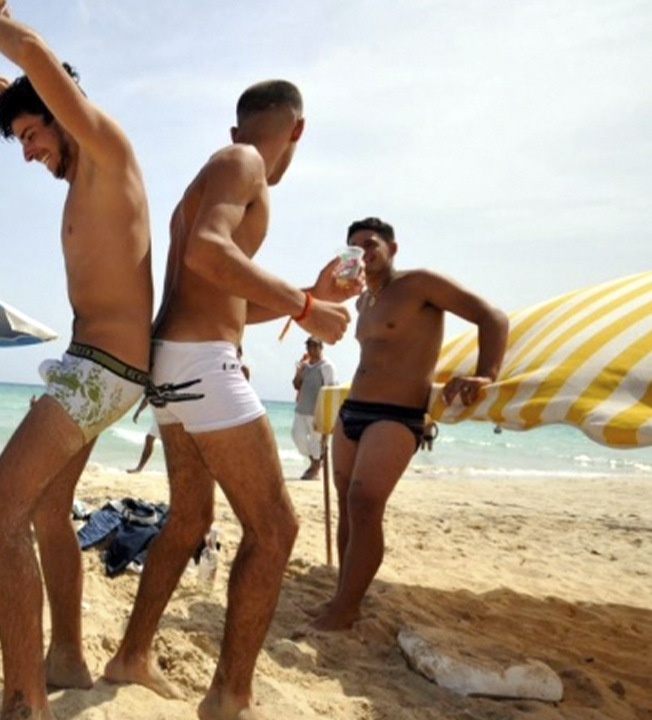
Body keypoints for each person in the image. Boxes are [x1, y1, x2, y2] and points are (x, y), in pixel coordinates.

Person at [101, 80, 357, 719]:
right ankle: (230, 697)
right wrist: (304, 307)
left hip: (172, 364)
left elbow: (217, 286)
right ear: (297, 130)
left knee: (190, 517)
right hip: (201, 365)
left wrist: (309, 295)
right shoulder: (242, 163)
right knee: (274, 529)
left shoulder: (220, 171)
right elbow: (211, 257)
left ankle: (132, 655)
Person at [0, 1, 154, 717]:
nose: (26, 151)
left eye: (31, 132)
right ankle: (68, 658)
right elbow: (38, 84)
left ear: (62, 108)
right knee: (47, 510)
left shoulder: (106, 148)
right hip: (99, 367)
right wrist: (16, 97)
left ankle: (24, 702)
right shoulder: (86, 175)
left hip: (101, 370)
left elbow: (35, 51)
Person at [304, 217, 507, 632]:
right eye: (355, 247)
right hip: (353, 410)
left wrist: (487, 374)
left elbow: (493, 317)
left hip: (397, 415)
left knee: (364, 502)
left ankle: (345, 609)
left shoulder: (421, 285)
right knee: (346, 504)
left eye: (372, 243)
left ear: (393, 248)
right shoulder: (362, 302)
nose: (364, 252)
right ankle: (344, 598)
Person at [291, 337, 336, 480]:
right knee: (297, 437)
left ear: (321, 347)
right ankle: (315, 462)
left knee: (315, 441)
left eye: (314, 346)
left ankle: (315, 467)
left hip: (316, 411)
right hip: (301, 408)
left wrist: (326, 413)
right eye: (309, 346)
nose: (311, 349)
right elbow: (296, 385)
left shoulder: (327, 366)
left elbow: (330, 389)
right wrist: (298, 371)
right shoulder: (305, 365)